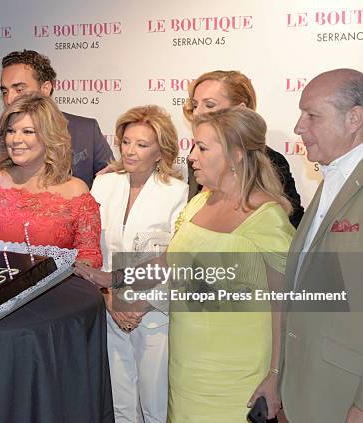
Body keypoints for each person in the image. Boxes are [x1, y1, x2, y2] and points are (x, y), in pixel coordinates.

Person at [76, 107, 294, 421]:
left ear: (235, 155)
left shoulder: (267, 218)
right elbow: (166, 262)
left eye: (203, 148)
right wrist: (111, 278)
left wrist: (275, 375)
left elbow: (284, 306)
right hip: (185, 364)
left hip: (238, 374)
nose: (191, 157)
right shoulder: (199, 203)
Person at [91, 105, 188, 422]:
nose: (130, 151)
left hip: (153, 314)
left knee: (155, 406)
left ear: (161, 151)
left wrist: (138, 303)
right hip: (109, 310)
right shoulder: (104, 185)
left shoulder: (178, 192)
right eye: (126, 141)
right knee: (120, 405)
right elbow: (92, 250)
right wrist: (111, 299)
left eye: (142, 144)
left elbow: (175, 256)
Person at [280, 69, 363, 423]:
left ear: (354, 118)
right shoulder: (331, 177)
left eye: (312, 115)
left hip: (343, 394)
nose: (299, 127)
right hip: (306, 386)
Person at [0, 93, 102, 268]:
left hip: (51, 293)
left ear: (49, 136)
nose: (16, 140)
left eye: (28, 131)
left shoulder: (75, 191)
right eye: (11, 131)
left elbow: (89, 256)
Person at [0, 49, 113, 191]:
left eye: (19, 89)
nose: (9, 99)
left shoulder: (86, 131)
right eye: (5, 91)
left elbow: (112, 189)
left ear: (45, 88)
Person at [184, 70, 305, 227]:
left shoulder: (270, 161)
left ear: (241, 110)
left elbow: (291, 224)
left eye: (209, 104)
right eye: (195, 105)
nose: (197, 112)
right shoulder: (196, 154)